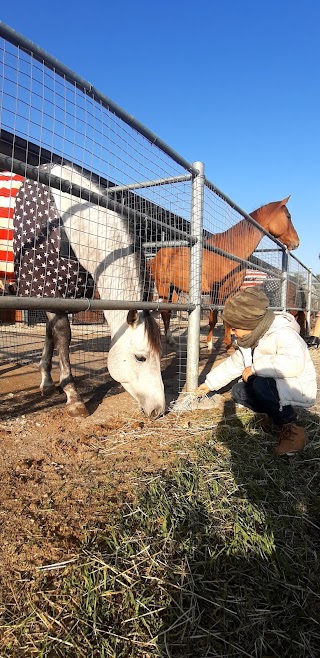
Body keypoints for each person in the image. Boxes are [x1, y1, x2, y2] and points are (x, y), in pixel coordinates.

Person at [195, 287, 317, 456]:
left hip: (297, 386)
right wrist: (209, 384)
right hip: (274, 387)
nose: (233, 333)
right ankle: (275, 416)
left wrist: (255, 367)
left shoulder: (284, 334)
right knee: (238, 391)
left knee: (260, 384)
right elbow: (233, 364)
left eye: (235, 328)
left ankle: (292, 428)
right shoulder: (249, 340)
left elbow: (294, 363)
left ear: (249, 324)